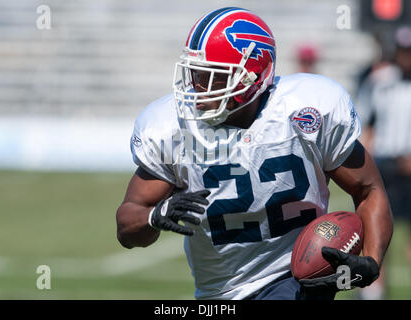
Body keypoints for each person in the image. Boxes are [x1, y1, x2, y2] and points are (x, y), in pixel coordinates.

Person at [116, 7, 393, 300]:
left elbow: (368, 189)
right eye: (195, 73)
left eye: (214, 77)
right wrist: (154, 216)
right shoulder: (171, 127)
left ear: (252, 77)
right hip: (219, 291)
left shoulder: (306, 110)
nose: (197, 86)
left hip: (295, 278)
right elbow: (127, 225)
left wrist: (371, 261)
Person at [356, 26, 411, 299]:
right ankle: (374, 293)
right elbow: (368, 124)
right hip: (386, 164)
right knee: (379, 232)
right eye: (401, 51)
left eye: (409, 52)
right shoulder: (379, 80)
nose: (405, 57)